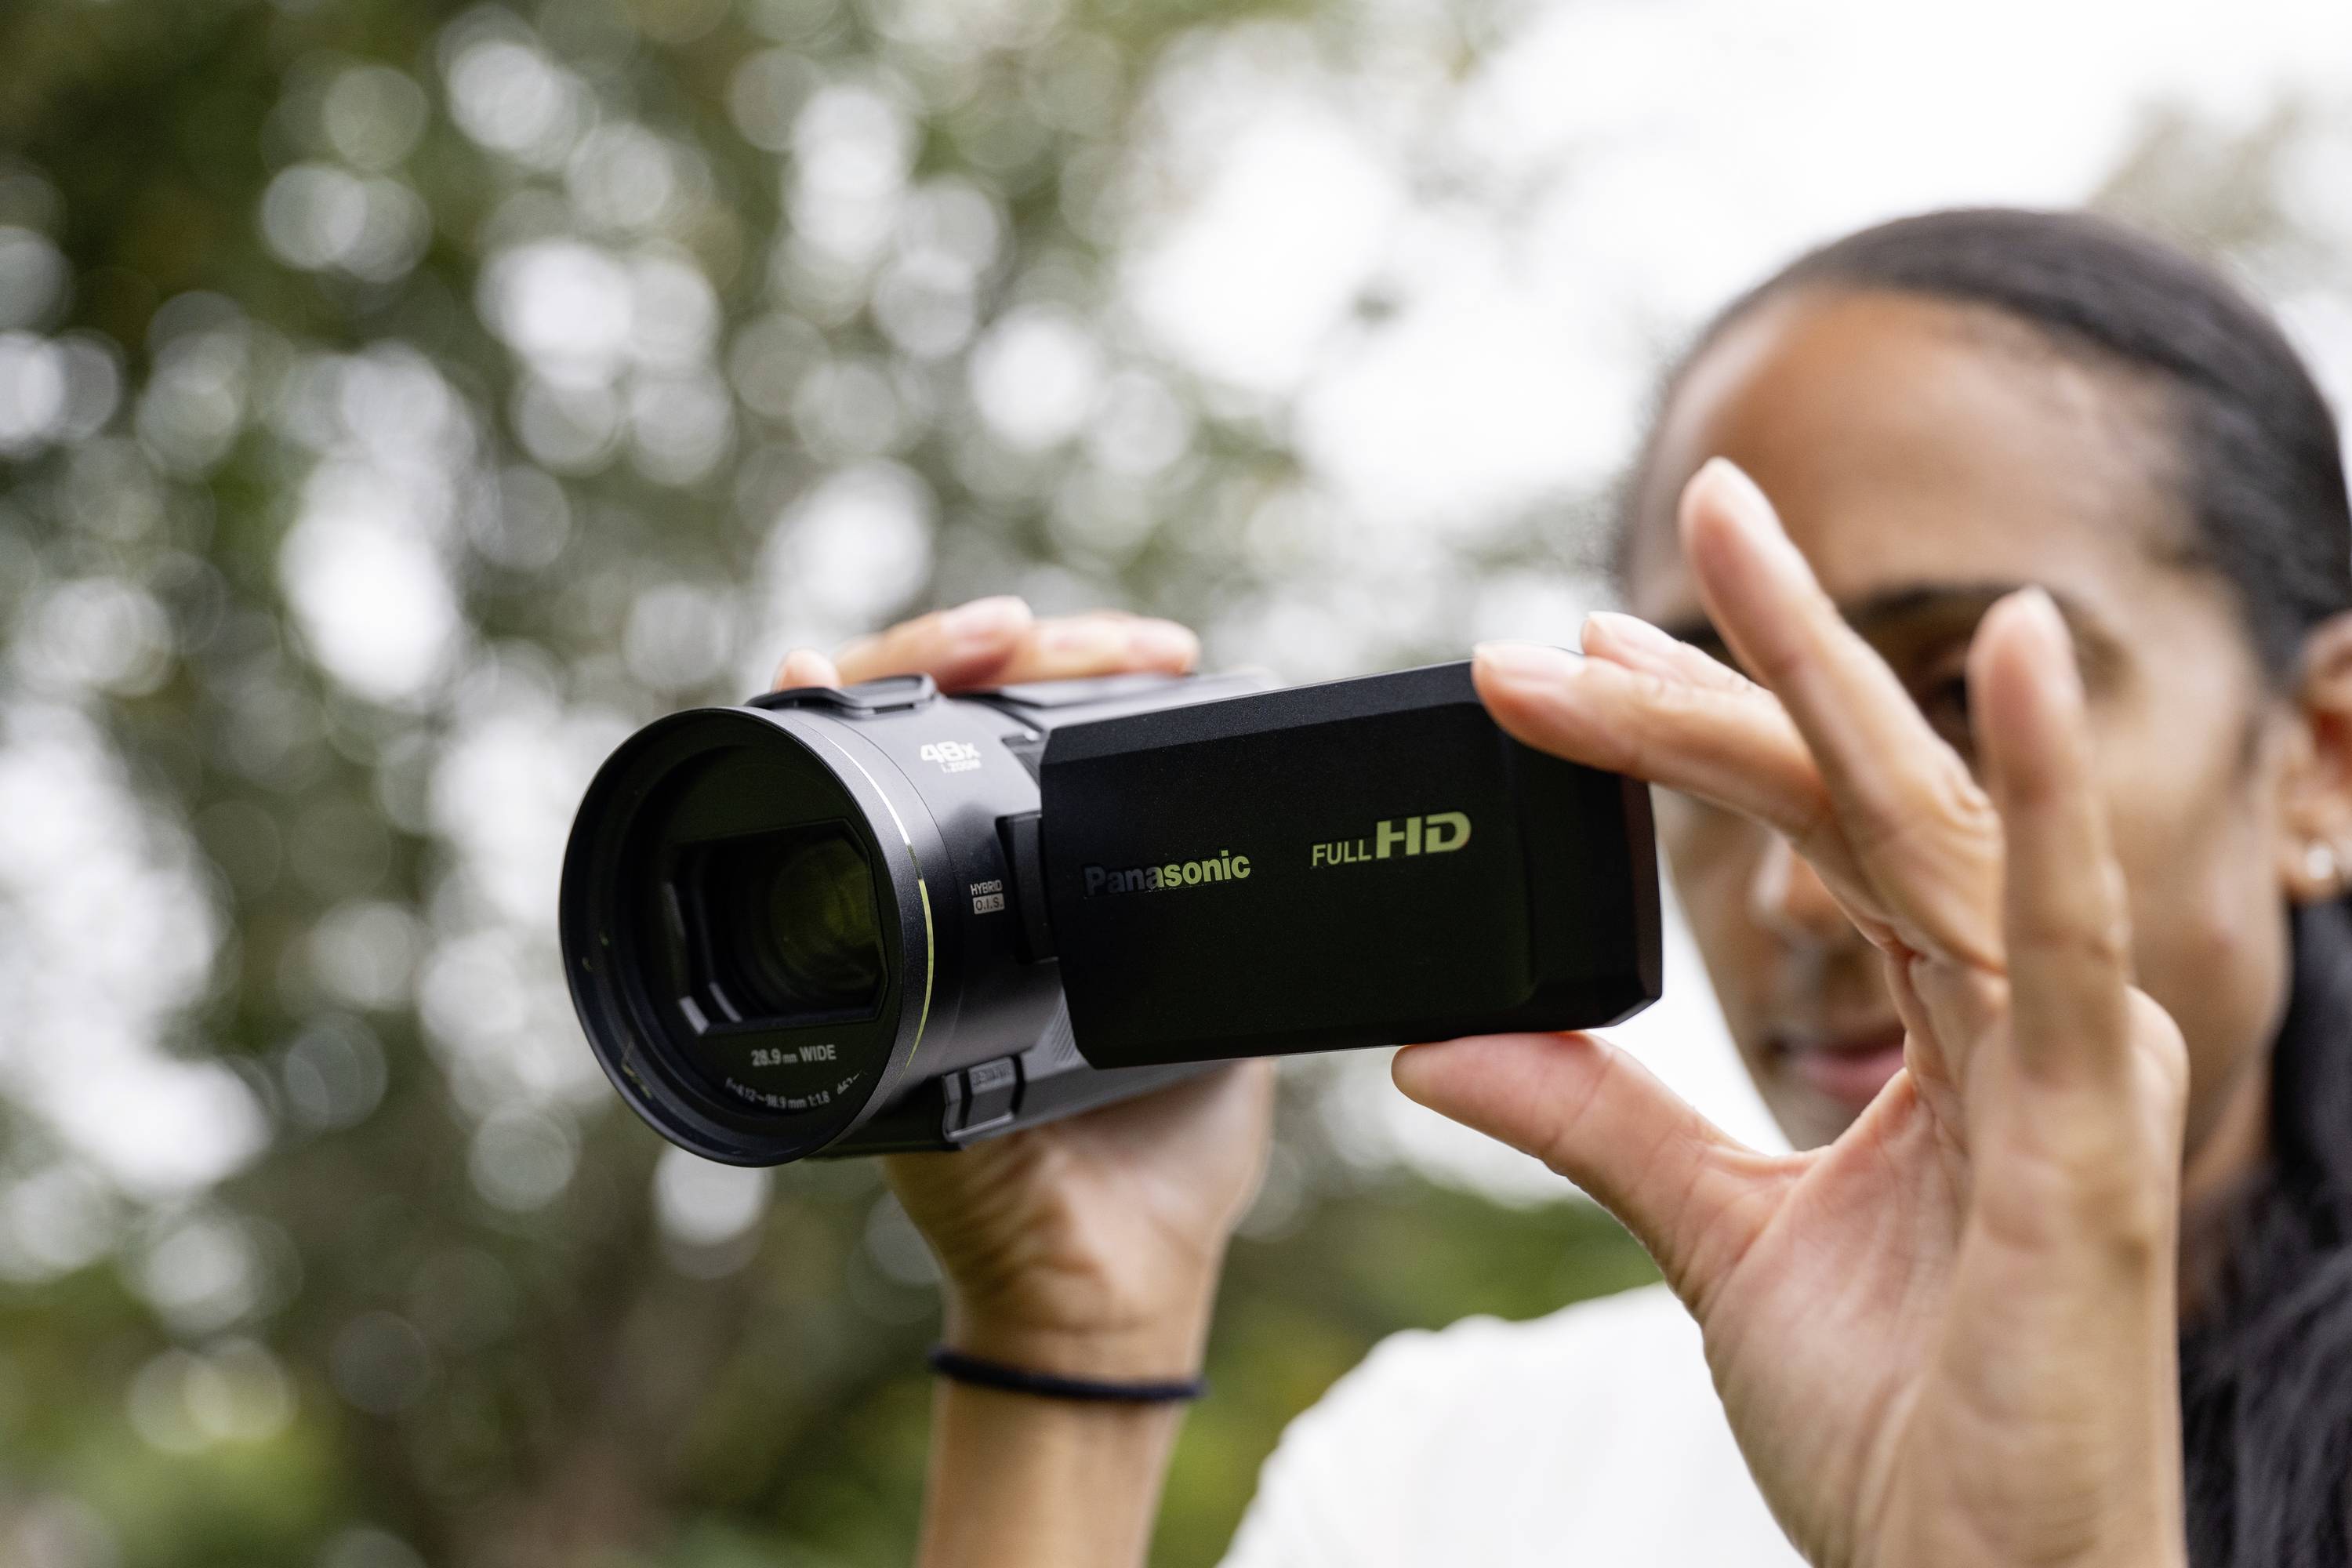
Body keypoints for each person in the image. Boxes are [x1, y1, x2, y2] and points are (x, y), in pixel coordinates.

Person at [769, 208, 2352, 1566]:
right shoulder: (1449, 1471)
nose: (1805, 895)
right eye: (1722, 731)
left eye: (1958, 693)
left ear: (2322, 761)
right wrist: (1065, 1348)